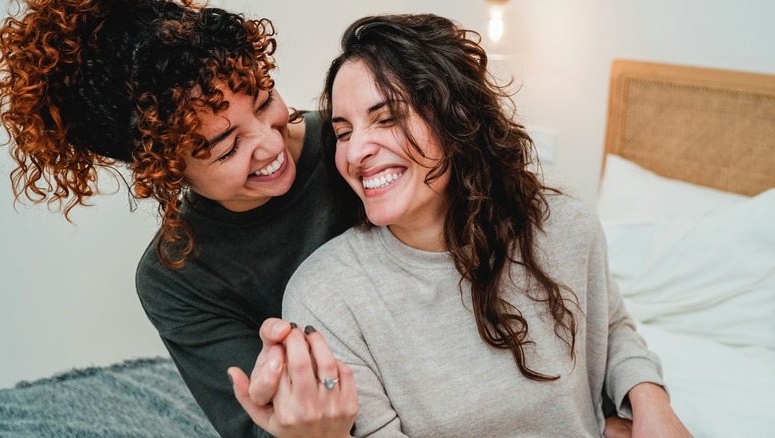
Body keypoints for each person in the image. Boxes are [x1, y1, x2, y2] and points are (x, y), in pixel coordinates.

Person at [281, 13, 692, 437]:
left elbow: (610, 326)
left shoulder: (567, 227)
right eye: (343, 132)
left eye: (387, 118)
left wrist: (650, 399)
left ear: (455, 119)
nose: (356, 152)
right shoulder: (325, 298)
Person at [0, 0, 356, 436]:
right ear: (164, 169)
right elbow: (258, 426)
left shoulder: (355, 143)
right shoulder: (177, 277)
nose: (269, 143)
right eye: (226, 147)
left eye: (263, 102)